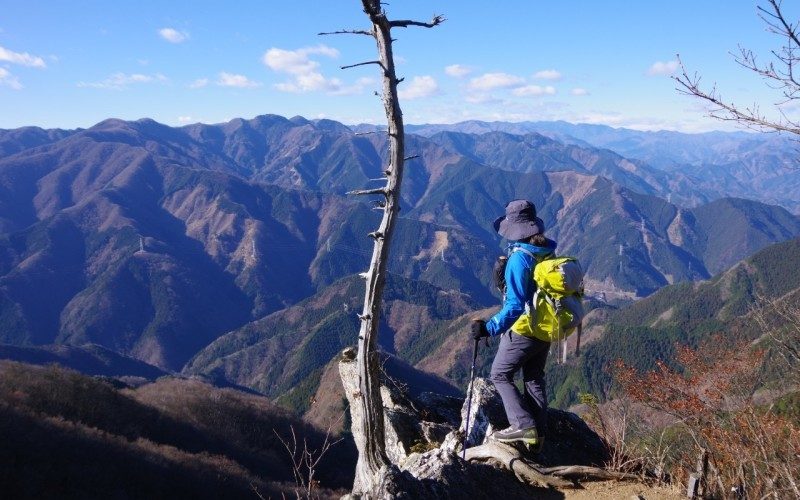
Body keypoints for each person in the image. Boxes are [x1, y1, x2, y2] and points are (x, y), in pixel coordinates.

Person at [471, 199, 557, 449]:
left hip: (524, 330)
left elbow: (515, 305)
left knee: (499, 374)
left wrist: (489, 327)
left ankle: (522, 425)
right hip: (545, 328)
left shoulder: (521, 258)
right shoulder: (546, 252)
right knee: (533, 378)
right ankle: (537, 437)